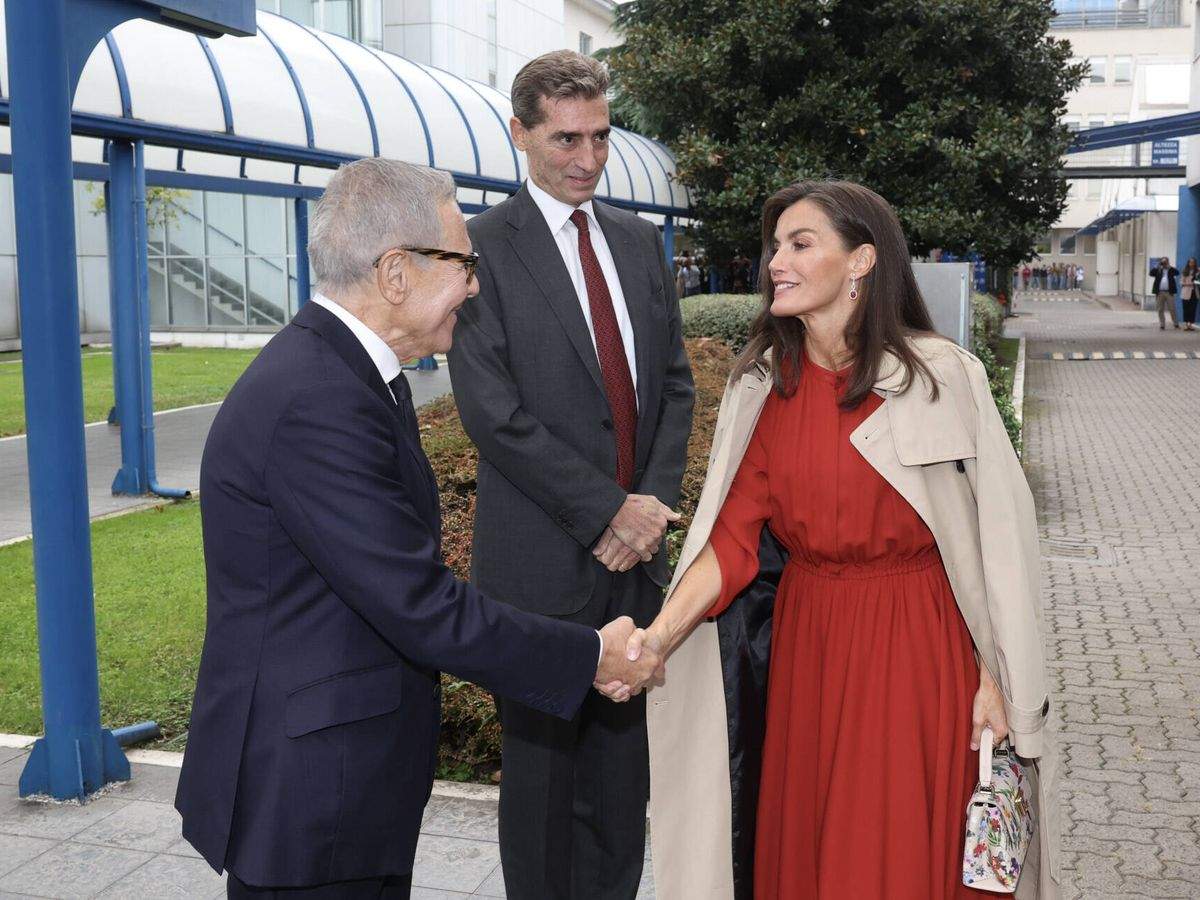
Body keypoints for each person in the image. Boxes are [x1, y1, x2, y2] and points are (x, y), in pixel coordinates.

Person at [174, 158, 661, 899]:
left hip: (340, 774)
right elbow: (419, 604)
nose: (474, 284)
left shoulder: (346, 374)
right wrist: (589, 655)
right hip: (311, 792)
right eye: (464, 263)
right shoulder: (319, 399)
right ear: (395, 273)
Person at [635, 180, 1060, 899]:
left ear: (861, 261)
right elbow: (730, 544)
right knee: (812, 840)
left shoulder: (940, 378)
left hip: (920, 648)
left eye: (800, 244)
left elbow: (1002, 548)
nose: (776, 261)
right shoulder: (765, 387)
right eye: (775, 246)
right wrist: (654, 641)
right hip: (811, 647)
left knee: (892, 846)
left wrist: (999, 676)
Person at [448, 50, 694, 900]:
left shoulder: (635, 240)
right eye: (564, 140)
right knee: (544, 791)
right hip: (541, 566)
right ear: (520, 134)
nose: (587, 159)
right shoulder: (476, 249)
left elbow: (672, 384)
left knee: (623, 787)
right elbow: (492, 414)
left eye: (600, 136)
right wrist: (606, 513)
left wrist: (650, 511)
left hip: (637, 568)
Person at [1150, 256, 1179, 330]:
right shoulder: (1158, 270)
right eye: (1163, 262)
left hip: (1169, 292)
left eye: (1165, 262)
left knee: (1172, 308)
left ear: (1168, 262)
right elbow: (1151, 273)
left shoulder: (1170, 270)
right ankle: (1162, 324)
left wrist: (1169, 267)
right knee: (1160, 309)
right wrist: (1157, 266)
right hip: (1160, 292)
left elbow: (1177, 273)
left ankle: (1176, 323)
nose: (1164, 264)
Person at [1181, 257, 1198, 330]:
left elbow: (1198, 282)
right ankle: (1186, 324)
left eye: (1193, 262)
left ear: (1195, 263)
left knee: (1193, 309)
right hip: (1186, 292)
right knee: (1186, 308)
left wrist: (1194, 283)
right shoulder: (1185, 271)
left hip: (1195, 292)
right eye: (1190, 262)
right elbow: (1181, 282)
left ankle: (1190, 324)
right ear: (1188, 263)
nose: (1192, 264)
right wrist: (1188, 284)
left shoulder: (1198, 271)